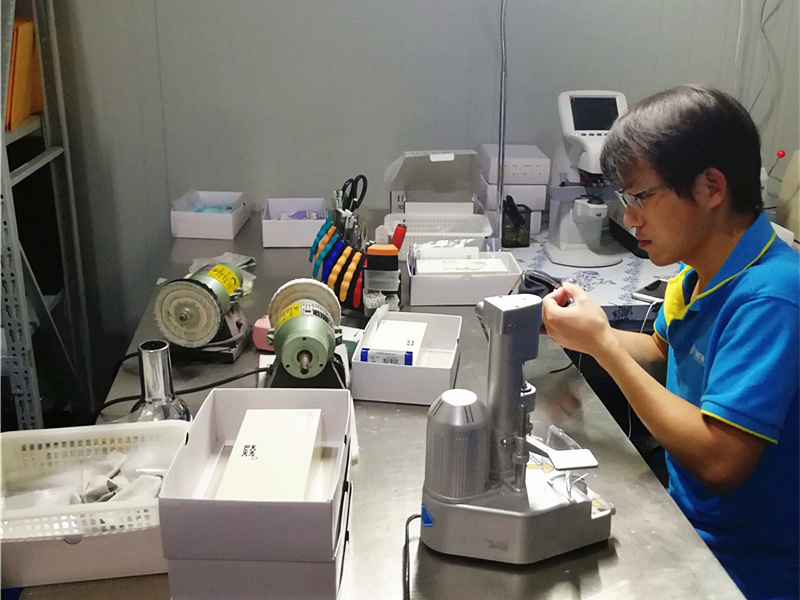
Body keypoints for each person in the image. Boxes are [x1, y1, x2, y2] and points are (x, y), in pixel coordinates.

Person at [541, 84, 799, 600]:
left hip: (745, 568)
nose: (629, 217)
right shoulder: (698, 271)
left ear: (710, 187)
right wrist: (582, 332)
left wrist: (604, 345)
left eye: (641, 197)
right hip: (683, 523)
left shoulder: (773, 298)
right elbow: (664, 352)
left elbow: (721, 460)